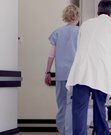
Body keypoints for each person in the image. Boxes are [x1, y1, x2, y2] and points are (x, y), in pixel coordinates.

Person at [66, 0, 111, 135]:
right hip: (100, 71)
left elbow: (80, 46)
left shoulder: (85, 24)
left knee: (78, 109)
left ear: (97, 12)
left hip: (80, 71)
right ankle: (102, 133)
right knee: (99, 107)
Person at [44, 4, 79, 135]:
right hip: (75, 76)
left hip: (60, 75)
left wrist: (47, 72)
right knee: (71, 105)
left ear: (65, 16)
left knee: (62, 106)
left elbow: (51, 55)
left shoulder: (57, 32)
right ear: (77, 16)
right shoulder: (81, 32)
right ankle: (69, 132)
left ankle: (62, 131)